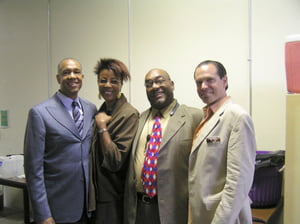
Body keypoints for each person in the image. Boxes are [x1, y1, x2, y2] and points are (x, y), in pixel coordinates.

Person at [24, 58, 97, 224]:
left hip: (87, 207)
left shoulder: (91, 109)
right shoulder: (40, 113)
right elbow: (33, 169)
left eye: (76, 72)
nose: (72, 76)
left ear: (83, 77)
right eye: (66, 72)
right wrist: (42, 214)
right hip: (56, 208)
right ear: (58, 78)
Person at [124, 68, 202, 224]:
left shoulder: (194, 117)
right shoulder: (139, 119)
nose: (154, 86)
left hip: (174, 209)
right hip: (139, 208)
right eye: (149, 84)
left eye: (160, 81)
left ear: (172, 84)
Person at [188, 60, 256, 223]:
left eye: (209, 80)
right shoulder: (205, 118)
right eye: (199, 82)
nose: (204, 86)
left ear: (224, 81)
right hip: (202, 214)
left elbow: (238, 183)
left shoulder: (237, 117)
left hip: (224, 217)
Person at [89, 58, 139, 224]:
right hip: (96, 193)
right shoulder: (101, 110)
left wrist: (103, 128)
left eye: (114, 81)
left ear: (121, 84)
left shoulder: (128, 114)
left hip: (112, 195)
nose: (108, 85)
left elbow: (116, 160)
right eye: (103, 80)